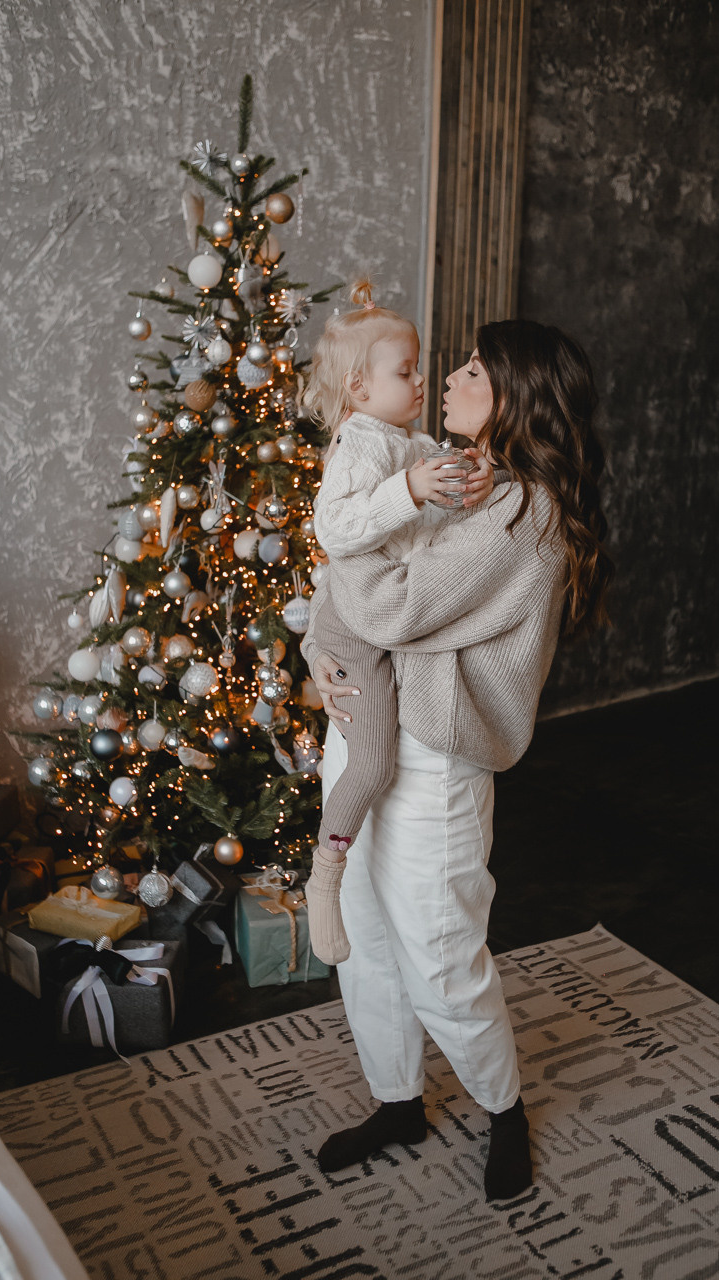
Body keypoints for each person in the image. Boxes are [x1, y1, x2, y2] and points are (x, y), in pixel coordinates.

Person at [301, 318, 614, 1200]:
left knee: (438, 949)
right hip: (367, 721)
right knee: (361, 935)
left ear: (513, 394)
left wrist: (337, 556)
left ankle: (503, 1107)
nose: (450, 374)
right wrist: (321, 658)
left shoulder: (524, 509)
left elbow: (391, 605)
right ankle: (398, 1099)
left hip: (435, 749)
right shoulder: (453, 471)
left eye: (473, 368)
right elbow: (364, 599)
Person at [301, 280, 493, 966]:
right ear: (357, 388)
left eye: (417, 369)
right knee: (374, 760)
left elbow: (419, 533)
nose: (420, 381)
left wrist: (456, 481)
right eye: (405, 372)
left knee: (381, 757)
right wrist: (411, 488)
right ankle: (325, 874)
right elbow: (339, 527)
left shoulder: (405, 442)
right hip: (354, 628)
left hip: (371, 615)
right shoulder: (358, 446)